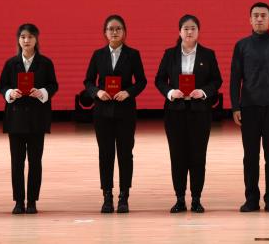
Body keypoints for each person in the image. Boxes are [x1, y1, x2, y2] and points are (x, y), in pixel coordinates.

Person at [154, 14, 223, 213]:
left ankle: (196, 199)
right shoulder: (170, 54)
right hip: (175, 112)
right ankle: (179, 199)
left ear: (198, 31)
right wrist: (170, 92)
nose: (189, 32)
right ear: (179, 32)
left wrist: (203, 92)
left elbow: (216, 81)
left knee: (198, 156)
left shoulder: (208, 54)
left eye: (193, 28)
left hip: (199, 112)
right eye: (186, 28)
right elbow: (159, 80)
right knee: (177, 156)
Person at [230, 1, 269, 212]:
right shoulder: (241, 46)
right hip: (248, 108)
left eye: (263, 15)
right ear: (250, 19)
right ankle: (251, 199)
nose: (259, 19)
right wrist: (235, 107)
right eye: (255, 15)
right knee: (250, 157)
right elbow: (235, 79)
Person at [84, 14, 147, 214]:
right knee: (105, 154)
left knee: (125, 154)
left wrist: (128, 92)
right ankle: (107, 196)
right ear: (105, 33)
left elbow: (142, 81)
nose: (114, 32)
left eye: (118, 28)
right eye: (110, 29)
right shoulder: (98, 55)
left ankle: (124, 196)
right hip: (102, 112)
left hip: (125, 111)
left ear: (124, 32)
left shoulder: (133, 54)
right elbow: (88, 81)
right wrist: (97, 92)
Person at [0, 23, 58, 215]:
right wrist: (10, 93)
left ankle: (32, 201)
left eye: (30, 37)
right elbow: (2, 86)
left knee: (35, 161)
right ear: (18, 39)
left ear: (36, 39)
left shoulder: (45, 63)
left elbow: (53, 85)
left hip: (37, 118)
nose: (26, 40)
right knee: (16, 162)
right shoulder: (10, 63)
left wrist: (42, 92)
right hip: (15, 119)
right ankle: (18, 201)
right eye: (23, 36)